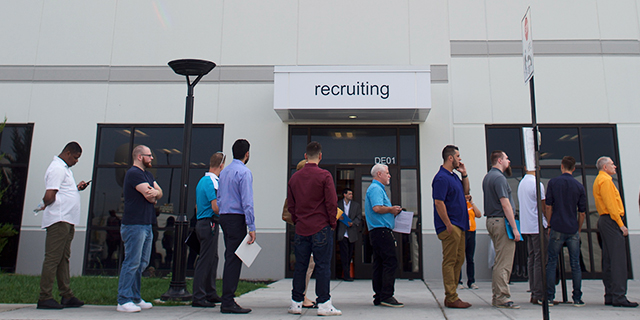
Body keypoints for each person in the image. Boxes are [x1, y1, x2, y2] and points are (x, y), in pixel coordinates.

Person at [287, 141, 341, 316]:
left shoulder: (294, 178)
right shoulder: (324, 176)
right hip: (320, 227)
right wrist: (332, 223)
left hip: (302, 228)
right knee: (323, 266)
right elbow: (331, 203)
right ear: (320, 156)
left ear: (305, 156)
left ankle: (296, 303)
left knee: (300, 267)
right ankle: (324, 304)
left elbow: (291, 205)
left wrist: (297, 221)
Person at [37, 142, 88, 310]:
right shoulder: (57, 168)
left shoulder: (65, 169)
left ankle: (66, 294)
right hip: (58, 220)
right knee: (53, 258)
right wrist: (44, 204)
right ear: (67, 153)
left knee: (63, 259)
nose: (76, 161)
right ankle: (45, 297)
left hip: (67, 219)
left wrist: (75, 189)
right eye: (75, 157)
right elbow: (50, 194)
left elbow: (62, 191)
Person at [116, 145, 163, 313]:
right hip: (134, 224)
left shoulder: (148, 175)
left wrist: (155, 194)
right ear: (139, 157)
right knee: (132, 261)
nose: (151, 158)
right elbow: (149, 194)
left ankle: (135, 297)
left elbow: (158, 193)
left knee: (142, 262)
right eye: (149, 156)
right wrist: (153, 194)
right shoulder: (134, 174)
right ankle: (123, 299)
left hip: (146, 223)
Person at [593, 156, 638, 307]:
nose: (615, 167)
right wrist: (621, 224)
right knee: (618, 260)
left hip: (604, 221)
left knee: (608, 259)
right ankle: (619, 296)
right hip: (611, 221)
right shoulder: (606, 181)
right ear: (605, 167)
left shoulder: (599, 180)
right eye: (612, 164)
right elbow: (611, 205)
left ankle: (611, 294)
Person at [217, 139, 256, 314]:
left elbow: (219, 198)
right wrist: (251, 226)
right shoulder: (244, 172)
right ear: (247, 154)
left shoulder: (224, 173)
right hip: (236, 218)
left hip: (224, 217)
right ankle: (228, 301)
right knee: (234, 259)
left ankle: (227, 299)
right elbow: (247, 202)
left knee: (230, 256)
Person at [432, 145, 471, 309]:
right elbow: (438, 202)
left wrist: (464, 174)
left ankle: (453, 294)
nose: (459, 159)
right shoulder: (441, 178)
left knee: (459, 259)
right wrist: (447, 224)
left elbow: (466, 192)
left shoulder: (453, 177)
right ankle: (451, 296)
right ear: (450, 158)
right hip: (451, 226)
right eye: (458, 156)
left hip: (460, 225)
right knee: (450, 260)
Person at [545, 156, 587, 307]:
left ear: (562, 167)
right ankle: (577, 297)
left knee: (551, 262)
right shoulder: (579, 186)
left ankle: (550, 297)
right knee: (575, 264)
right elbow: (582, 212)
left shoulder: (553, 183)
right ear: (574, 168)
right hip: (572, 228)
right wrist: (579, 228)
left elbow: (548, 206)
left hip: (557, 226)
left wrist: (549, 224)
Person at [482, 150, 520, 309]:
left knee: (499, 260)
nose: (509, 161)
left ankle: (498, 296)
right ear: (499, 160)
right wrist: (514, 228)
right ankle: (502, 297)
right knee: (504, 263)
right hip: (501, 222)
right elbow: (505, 204)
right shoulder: (499, 178)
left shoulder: (488, 177)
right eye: (506, 158)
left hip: (492, 220)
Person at [366, 163, 403, 308]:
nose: (389, 175)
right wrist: (391, 210)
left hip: (378, 231)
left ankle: (379, 295)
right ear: (379, 174)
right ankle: (387, 295)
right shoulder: (375, 188)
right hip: (381, 231)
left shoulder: (377, 188)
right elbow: (377, 208)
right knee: (390, 261)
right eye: (387, 173)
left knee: (380, 264)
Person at [192, 152, 226, 308]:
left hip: (202, 222)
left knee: (213, 258)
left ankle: (210, 293)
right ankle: (199, 296)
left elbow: (197, 206)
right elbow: (215, 207)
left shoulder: (201, 181)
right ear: (221, 165)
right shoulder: (212, 182)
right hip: (209, 224)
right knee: (206, 260)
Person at [282, 159, 317, 308]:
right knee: (306, 266)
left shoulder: (296, 188)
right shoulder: (300, 191)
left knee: (307, 265)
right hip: (306, 232)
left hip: (304, 231)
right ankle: (301, 297)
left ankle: (301, 295)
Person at [517, 167, 547, 305]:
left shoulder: (522, 183)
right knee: (540, 259)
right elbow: (543, 206)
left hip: (526, 225)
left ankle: (533, 290)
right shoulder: (537, 183)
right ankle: (539, 293)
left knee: (532, 257)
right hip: (537, 224)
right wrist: (549, 221)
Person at [336, 188, 362, 282]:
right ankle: (346, 275)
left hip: (351, 233)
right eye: (349, 194)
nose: (351, 195)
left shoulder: (356, 205)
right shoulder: (338, 204)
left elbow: (359, 217)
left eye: (352, 194)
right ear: (344, 195)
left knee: (349, 254)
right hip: (342, 233)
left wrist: (353, 223)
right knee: (344, 254)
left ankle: (347, 273)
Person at [460, 194, 482, 289]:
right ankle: (458, 281)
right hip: (463, 232)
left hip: (471, 232)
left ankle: (471, 281)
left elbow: (479, 214)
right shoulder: (460, 205)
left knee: (470, 258)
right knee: (460, 257)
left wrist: (471, 202)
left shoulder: (470, 206)